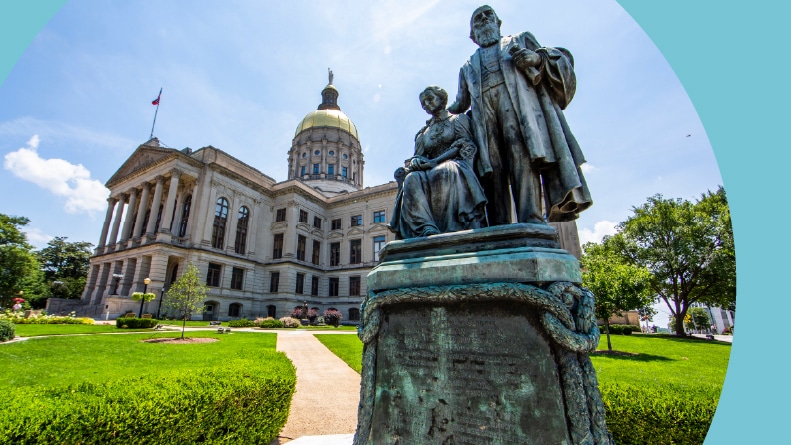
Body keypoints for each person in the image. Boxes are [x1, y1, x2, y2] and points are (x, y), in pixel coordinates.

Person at [448, 5, 592, 225]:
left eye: (489, 15)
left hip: (519, 111)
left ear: (498, 23)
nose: (484, 19)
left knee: (522, 160)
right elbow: (460, 102)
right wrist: (440, 112)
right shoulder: (467, 66)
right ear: (472, 35)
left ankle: (531, 220)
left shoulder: (520, 40)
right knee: (491, 171)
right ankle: (499, 226)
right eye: (478, 18)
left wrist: (536, 59)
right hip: (484, 122)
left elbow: (556, 58)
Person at [389, 86, 487, 239]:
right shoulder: (423, 133)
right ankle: (426, 227)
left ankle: (452, 227)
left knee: (445, 170)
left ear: (441, 98)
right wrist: (417, 161)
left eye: (430, 99)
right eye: (423, 104)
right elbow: (419, 155)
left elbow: (464, 145)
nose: (427, 105)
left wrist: (434, 162)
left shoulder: (457, 120)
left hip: (456, 163)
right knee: (411, 178)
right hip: (428, 167)